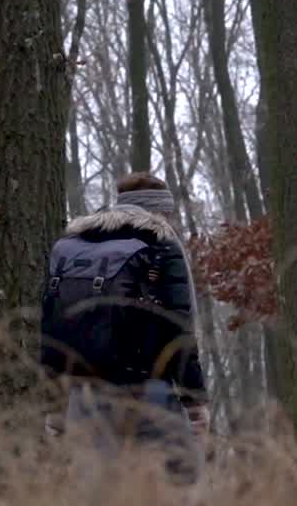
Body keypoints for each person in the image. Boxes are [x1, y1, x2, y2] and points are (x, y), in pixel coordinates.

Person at [38, 172, 209, 480]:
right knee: (181, 481)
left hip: (83, 391)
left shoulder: (73, 246)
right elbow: (179, 328)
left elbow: (51, 327)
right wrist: (195, 401)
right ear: (159, 211)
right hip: (147, 389)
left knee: (98, 491)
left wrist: (54, 405)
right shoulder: (161, 244)